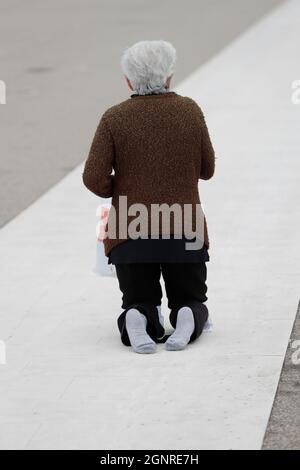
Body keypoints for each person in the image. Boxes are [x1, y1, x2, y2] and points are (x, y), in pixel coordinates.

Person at [83, 40, 215, 354]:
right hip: (186, 230)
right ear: (169, 77)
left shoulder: (114, 118)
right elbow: (207, 169)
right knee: (190, 298)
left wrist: (124, 187)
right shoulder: (189, 110)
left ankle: (137, 317)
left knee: (138, 299)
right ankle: (186, 317)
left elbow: (93, 177)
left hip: (131, 231)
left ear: (128, 80)